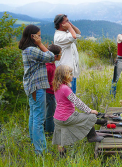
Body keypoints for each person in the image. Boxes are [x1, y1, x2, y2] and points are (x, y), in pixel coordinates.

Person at [18, 25, 55, 155]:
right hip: (37, 87)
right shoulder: (32, 50)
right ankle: (41, 151)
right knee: (39, 119)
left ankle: (35, 144)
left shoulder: (27, 50)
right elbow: (51, 57)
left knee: (34, 116)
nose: (40, 37)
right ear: (32, 36)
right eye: (38, 35)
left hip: (32, 87)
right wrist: (40, 44)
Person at [52, 65, 104, 157]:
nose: (72, 76)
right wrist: (90, 110)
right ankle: (92, 136)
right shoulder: (65, 88)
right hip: (67, 117)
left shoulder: (57, 87)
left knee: (59, 140)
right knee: (91, 117)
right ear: (64, 76)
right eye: (70, 74)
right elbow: (77, 102)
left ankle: (62, 157)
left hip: (57, 118)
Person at [53, 14, 81, 94]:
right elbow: (74, 37)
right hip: (65, 73)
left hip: (72, 72)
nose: (69, 22)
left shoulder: (67, 33)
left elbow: (78, 33)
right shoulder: (59, 37)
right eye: (67, 21)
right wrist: (69, 27)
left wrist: (70, 25)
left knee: (73, 97)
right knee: (68, 99)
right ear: (61, 24)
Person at [45, 44, 62, 136]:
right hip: (49, 93)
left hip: (51, 92)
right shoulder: (49, 67)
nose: (60, 56)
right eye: (60, 54)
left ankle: (48, 130)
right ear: (55, 56)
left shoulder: (51, 64)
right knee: (50, 114)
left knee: (50, 111)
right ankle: (49, 132)